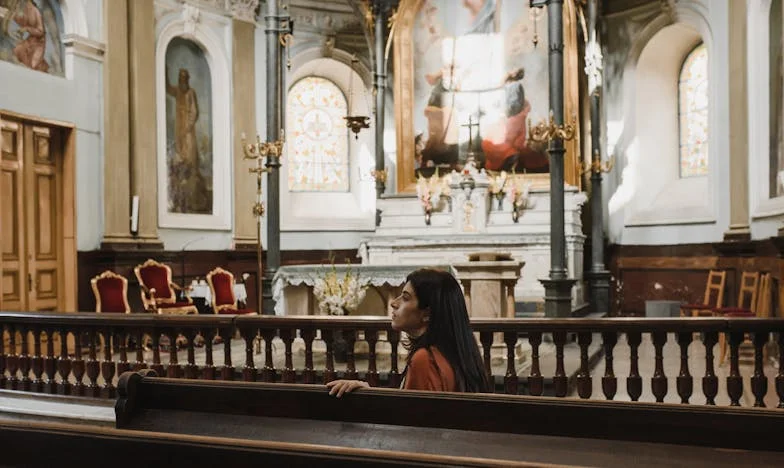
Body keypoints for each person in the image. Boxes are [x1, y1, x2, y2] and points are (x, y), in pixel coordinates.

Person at [326, 268, 490, 397]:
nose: (394, 304)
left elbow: (408, 423)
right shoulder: (457, 352)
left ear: (427, 313)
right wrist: (370, 392)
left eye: (405, 298)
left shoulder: (425, 359)